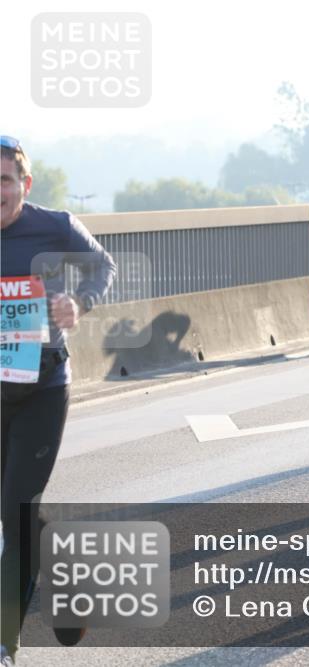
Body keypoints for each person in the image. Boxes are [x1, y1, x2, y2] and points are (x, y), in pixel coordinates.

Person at [1, 136, 117, 663]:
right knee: (15, 517)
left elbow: (102, 267)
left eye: (4, 180)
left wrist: (80, 302)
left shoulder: (56, 226)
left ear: (24, 185)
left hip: (42, 389)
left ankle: (5, 638)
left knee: (15, 510)